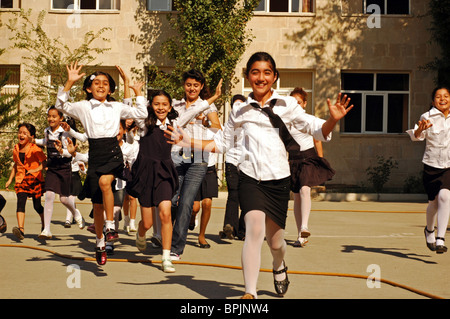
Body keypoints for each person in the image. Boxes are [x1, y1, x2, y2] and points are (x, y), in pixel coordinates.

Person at [165, 51, 353, 299]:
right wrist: (188, 141)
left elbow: (316, 129)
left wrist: (332, 120)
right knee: (253, 230)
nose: (261, 77)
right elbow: (222, 143)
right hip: (249, 178)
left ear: (274, 77)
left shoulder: (288, 105)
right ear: (248, 76)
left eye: (266, 72)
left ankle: (279, 265)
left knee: (275, 243)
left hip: (277, 180)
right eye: (255, 72)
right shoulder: (240, 110)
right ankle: (250, 293)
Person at [55, 62, 148, 265]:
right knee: (96, 205)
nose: (101, 86)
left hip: (113, 152)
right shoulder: (83, 106)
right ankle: (99, 242)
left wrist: (137, 92)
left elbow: (141, 114)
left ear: (110, 88)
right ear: (89, 88)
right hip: (96, 152)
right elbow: (61, 106)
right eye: (96, 83)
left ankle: (110, 226)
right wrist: (69, 82)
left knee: (106, 183)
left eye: (105, 83)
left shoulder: (116, 106)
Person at [127, 83, 221, 272]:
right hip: (146, 172)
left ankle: (166, 257)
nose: (160, 107)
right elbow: (135, 111)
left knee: (165, 212)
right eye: (156, 104)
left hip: (164, 171)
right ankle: (141, 231)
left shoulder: (175, 123)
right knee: (148, 222)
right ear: (151, 106)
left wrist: (214, 97)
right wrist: (137, 92)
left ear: (170, 107)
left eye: (164, 104)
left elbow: (197, 109)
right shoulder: (145, 124)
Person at [169, 70, 222, 261]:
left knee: (186, 203)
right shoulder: (175, 104)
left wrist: (206, 121)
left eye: (196, 85)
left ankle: (176, 248)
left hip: (198, 157)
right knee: (172, 198)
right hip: (176, 155)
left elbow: (218, 129)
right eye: (189, 84)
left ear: (201, 87)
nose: (192, 88)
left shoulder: (207, 105)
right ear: (184, 85)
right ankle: (164, 236)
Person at [288, 87, 335, 247]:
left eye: (299, 102)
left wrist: (320, 160)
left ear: (305, 103)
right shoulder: (287, 121)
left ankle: (304, 226)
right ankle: (300, 235)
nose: (296, 105)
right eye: (293, 102)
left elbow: (317, 139)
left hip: (308, 157)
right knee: (296, 196)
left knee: (305, 190)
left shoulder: (307, 119)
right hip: (293, 160)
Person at [406, 86, 450, 254]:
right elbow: (417, 137)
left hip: (448, 166)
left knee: (445, 196)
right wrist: (419, 129)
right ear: (433, 101)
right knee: (433, 202)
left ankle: (440, 239)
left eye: (446, 96)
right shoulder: (427, 117)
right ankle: (429, 230)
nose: (443, 99)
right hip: (432, 165)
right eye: (439, 96)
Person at [34, 106, 85, 239]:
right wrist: (33, 141)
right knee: (49, 195)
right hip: (52, 168)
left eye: (54, 116)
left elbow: (70, 153)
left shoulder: (65, 133)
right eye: (49, 116)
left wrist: (62, 151)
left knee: (63, 199)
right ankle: (46, 230)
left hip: (64, 167)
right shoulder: (47, 131)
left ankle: (75, 212)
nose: (51, 119)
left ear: (61, 118)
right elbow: (45, 142)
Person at [5, 123, 46, 240]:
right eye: (20, 132)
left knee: (37, 205)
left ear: (31, 136)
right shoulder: (16, 149)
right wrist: (9, 180)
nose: (21, 135)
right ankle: (21, 230)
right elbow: (16, 165)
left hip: (34, 179)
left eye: (25, 133)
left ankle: (45, 225)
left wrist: (35, 169)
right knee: (20, 201)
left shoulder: (36, 149)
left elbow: (44, 163)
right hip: (21, 179)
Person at [220, 94, 246, 240]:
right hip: (231, 161)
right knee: (233, 193)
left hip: (247, 163)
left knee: (247, 197)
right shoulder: (228, 125)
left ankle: (243, 231)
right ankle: (229, 227)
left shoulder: (250, 124)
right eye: (235, 105)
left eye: (241, 105)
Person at [191, 127, 220, 248]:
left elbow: (222, 145)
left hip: (210, 168)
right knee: (195, 207)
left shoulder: (216, 129)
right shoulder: (192, 128)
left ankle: (201, 236)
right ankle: (192, 217)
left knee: (207, 203)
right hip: (195, 167)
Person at [59, 120, 88, 228]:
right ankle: (75, 214)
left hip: (74, 174)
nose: (66, 140)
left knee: (71, 197)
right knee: (65, 198)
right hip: (64, 173)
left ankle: (68, 219)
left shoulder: (75, 145)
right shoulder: (60, 144)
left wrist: (82, 168)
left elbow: (80, 159)